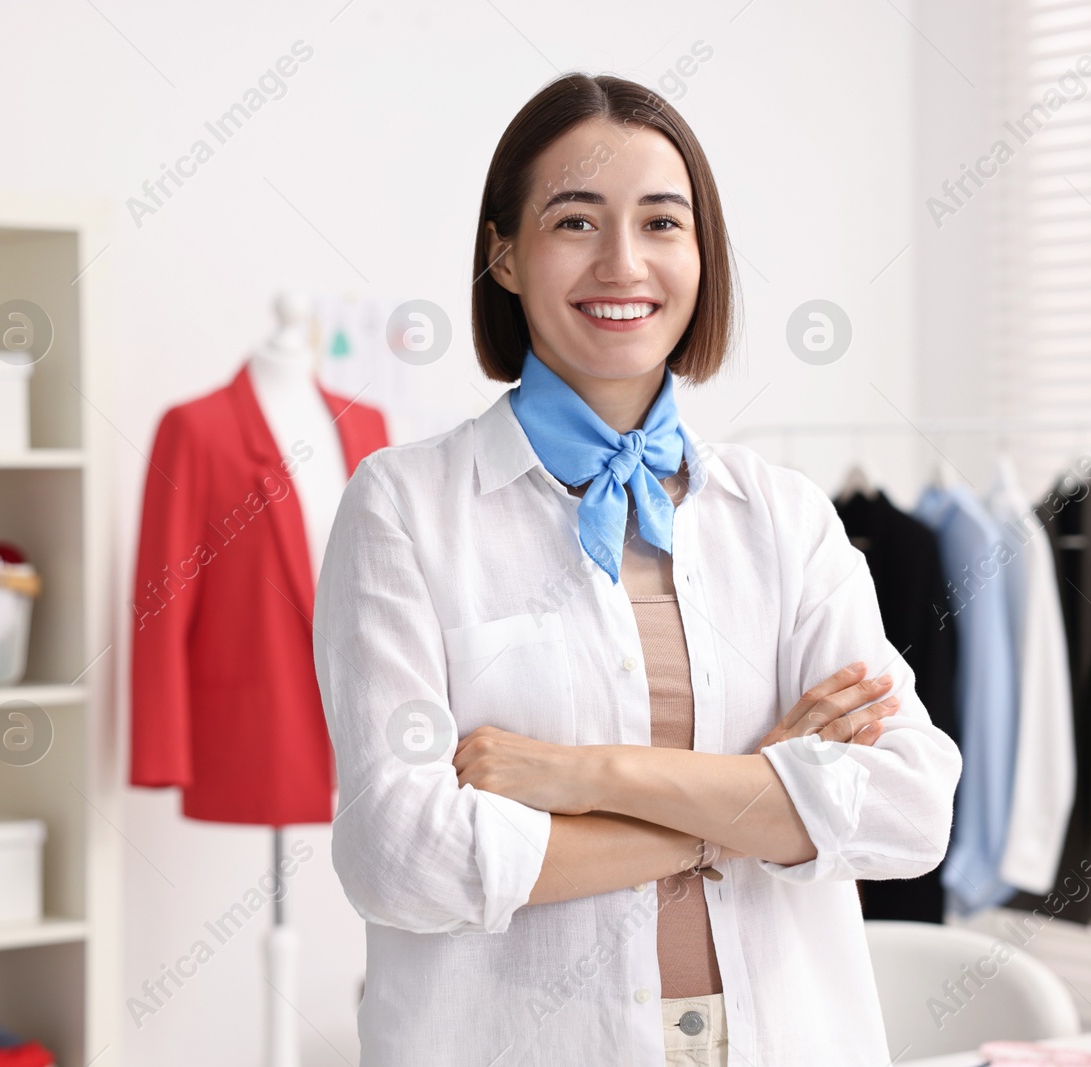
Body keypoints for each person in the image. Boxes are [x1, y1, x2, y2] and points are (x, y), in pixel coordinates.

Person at [314, 72, 962, 1067]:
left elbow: (909, 807)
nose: (623, 262)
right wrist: (745, 806)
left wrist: (579, 776)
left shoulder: (782, 517)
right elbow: (398, 853)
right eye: (575, 220)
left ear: (699, 252)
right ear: (504, 253)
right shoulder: (404, 506)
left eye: (662, 222)